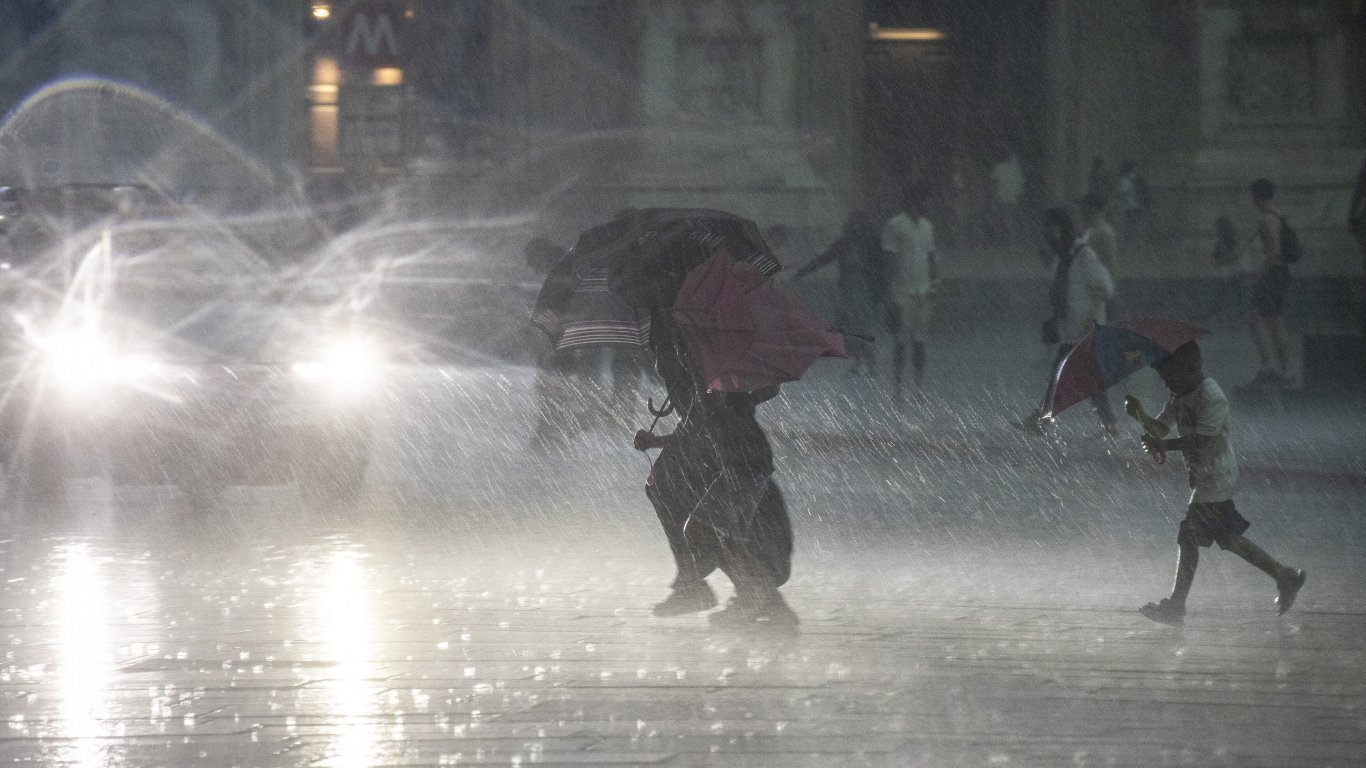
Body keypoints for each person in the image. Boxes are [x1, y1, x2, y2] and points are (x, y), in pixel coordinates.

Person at [632, 311, 797, 629]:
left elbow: (706, 420)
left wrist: (664, 437)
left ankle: (753, 590)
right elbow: (701, 420)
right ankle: (743, 591)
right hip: (728, 457)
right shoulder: (704, 368)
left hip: (738, 460)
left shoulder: (714, 371)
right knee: (707, 523)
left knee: (712, 528)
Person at [1124, 341, 1306, 627]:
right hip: (1204, 476)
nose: (1168, 384)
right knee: (1230, 540)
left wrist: (1164, 445)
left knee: (1189, 535)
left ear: (1192, 369)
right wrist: (1140, 416)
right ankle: (1285, 576)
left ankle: (1176, 605)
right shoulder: (1178, 394)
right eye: (1164, 379)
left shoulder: (1211, 396)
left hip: (1217, 476)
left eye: (1170, 376)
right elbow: (1161, 427)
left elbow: (1201, 439)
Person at [1019, 207, 1118, 434]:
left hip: (1085, 329)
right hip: (1071, 328)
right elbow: (1059, 291)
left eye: (1055, 228)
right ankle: (1110, 423)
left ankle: (1042, 420)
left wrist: (1092, 316)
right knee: (1088, 379)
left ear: (1065, 228)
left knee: (1063, 373)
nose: (1051, 233)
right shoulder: (1061, 257)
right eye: (1049, 229)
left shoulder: (1084, 254)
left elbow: (1104, 288)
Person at [790, 209, 884, 376]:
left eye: (857, 224)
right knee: (850, 328)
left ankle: (868, 363)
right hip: (850, 291)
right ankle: (859, 362)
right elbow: (824, 259)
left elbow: (880, 267)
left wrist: (879, 288)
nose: (855, 228)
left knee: (861, 328)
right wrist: (801, 272)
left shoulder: (870, 244)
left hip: (863, 291)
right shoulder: (846, 244)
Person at [880, 184, 939, 400]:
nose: (927, 205)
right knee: (901, 341)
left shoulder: (927, 226)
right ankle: (897, 386)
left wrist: (935, 284)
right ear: (914, 202)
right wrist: (888, 292)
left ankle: (919, 386)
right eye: (924, 201)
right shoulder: (894, 225)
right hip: (901, 292)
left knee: (920, 341)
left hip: (923, 292)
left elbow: (931, 257)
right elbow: (889, 259)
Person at [1245, 178, 1294, 387]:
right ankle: (1274, 368)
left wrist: (1259, 274)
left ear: (1257, 197)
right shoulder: (1277, 214)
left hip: (1272, 275)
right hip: (1276, 274)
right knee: (1259, 318)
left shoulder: (1268, 218)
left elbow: (1274, 251)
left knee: (1271, 321)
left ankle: (1280, 370)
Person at [990, 147, 1026, 245]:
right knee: (1010, 220)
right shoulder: (1016, 170)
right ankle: (1012, 241)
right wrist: (1017, 195)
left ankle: (997, 240)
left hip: (1000, 197)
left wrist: (994, 195)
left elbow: (994, 183)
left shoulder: (998, 168)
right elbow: (1021, 184)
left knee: (998, 219)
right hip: (1012, 199)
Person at [1116, 160, 1150, 241]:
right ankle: (1136, 240)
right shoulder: (1138, 178)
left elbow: (1122, 192)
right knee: (1136, 224)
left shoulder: (1125, 179)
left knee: (1130, 225)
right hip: (1140, 205)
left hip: (1130, 206)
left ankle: (1130, 240)